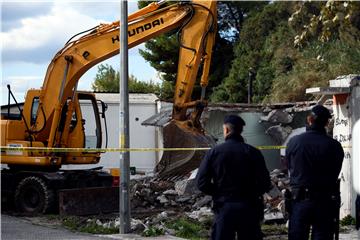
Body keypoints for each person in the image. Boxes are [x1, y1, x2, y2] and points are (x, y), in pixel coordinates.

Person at [196, 114, 271, 240]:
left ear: (226, 130)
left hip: (224, 207)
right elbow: (265, 183)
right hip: (249, 208)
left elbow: (201, 183)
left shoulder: (214, 153)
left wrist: (218, 192)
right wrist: (251, 194)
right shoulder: (253, 152)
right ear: (241, 130)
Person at [286, 104, 344, 240]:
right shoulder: (334, 146)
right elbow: (336, 171)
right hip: (324, 201)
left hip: (299, 200)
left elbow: (289, 167)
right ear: (327, 122)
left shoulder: (294, 142)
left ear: (309, 120)